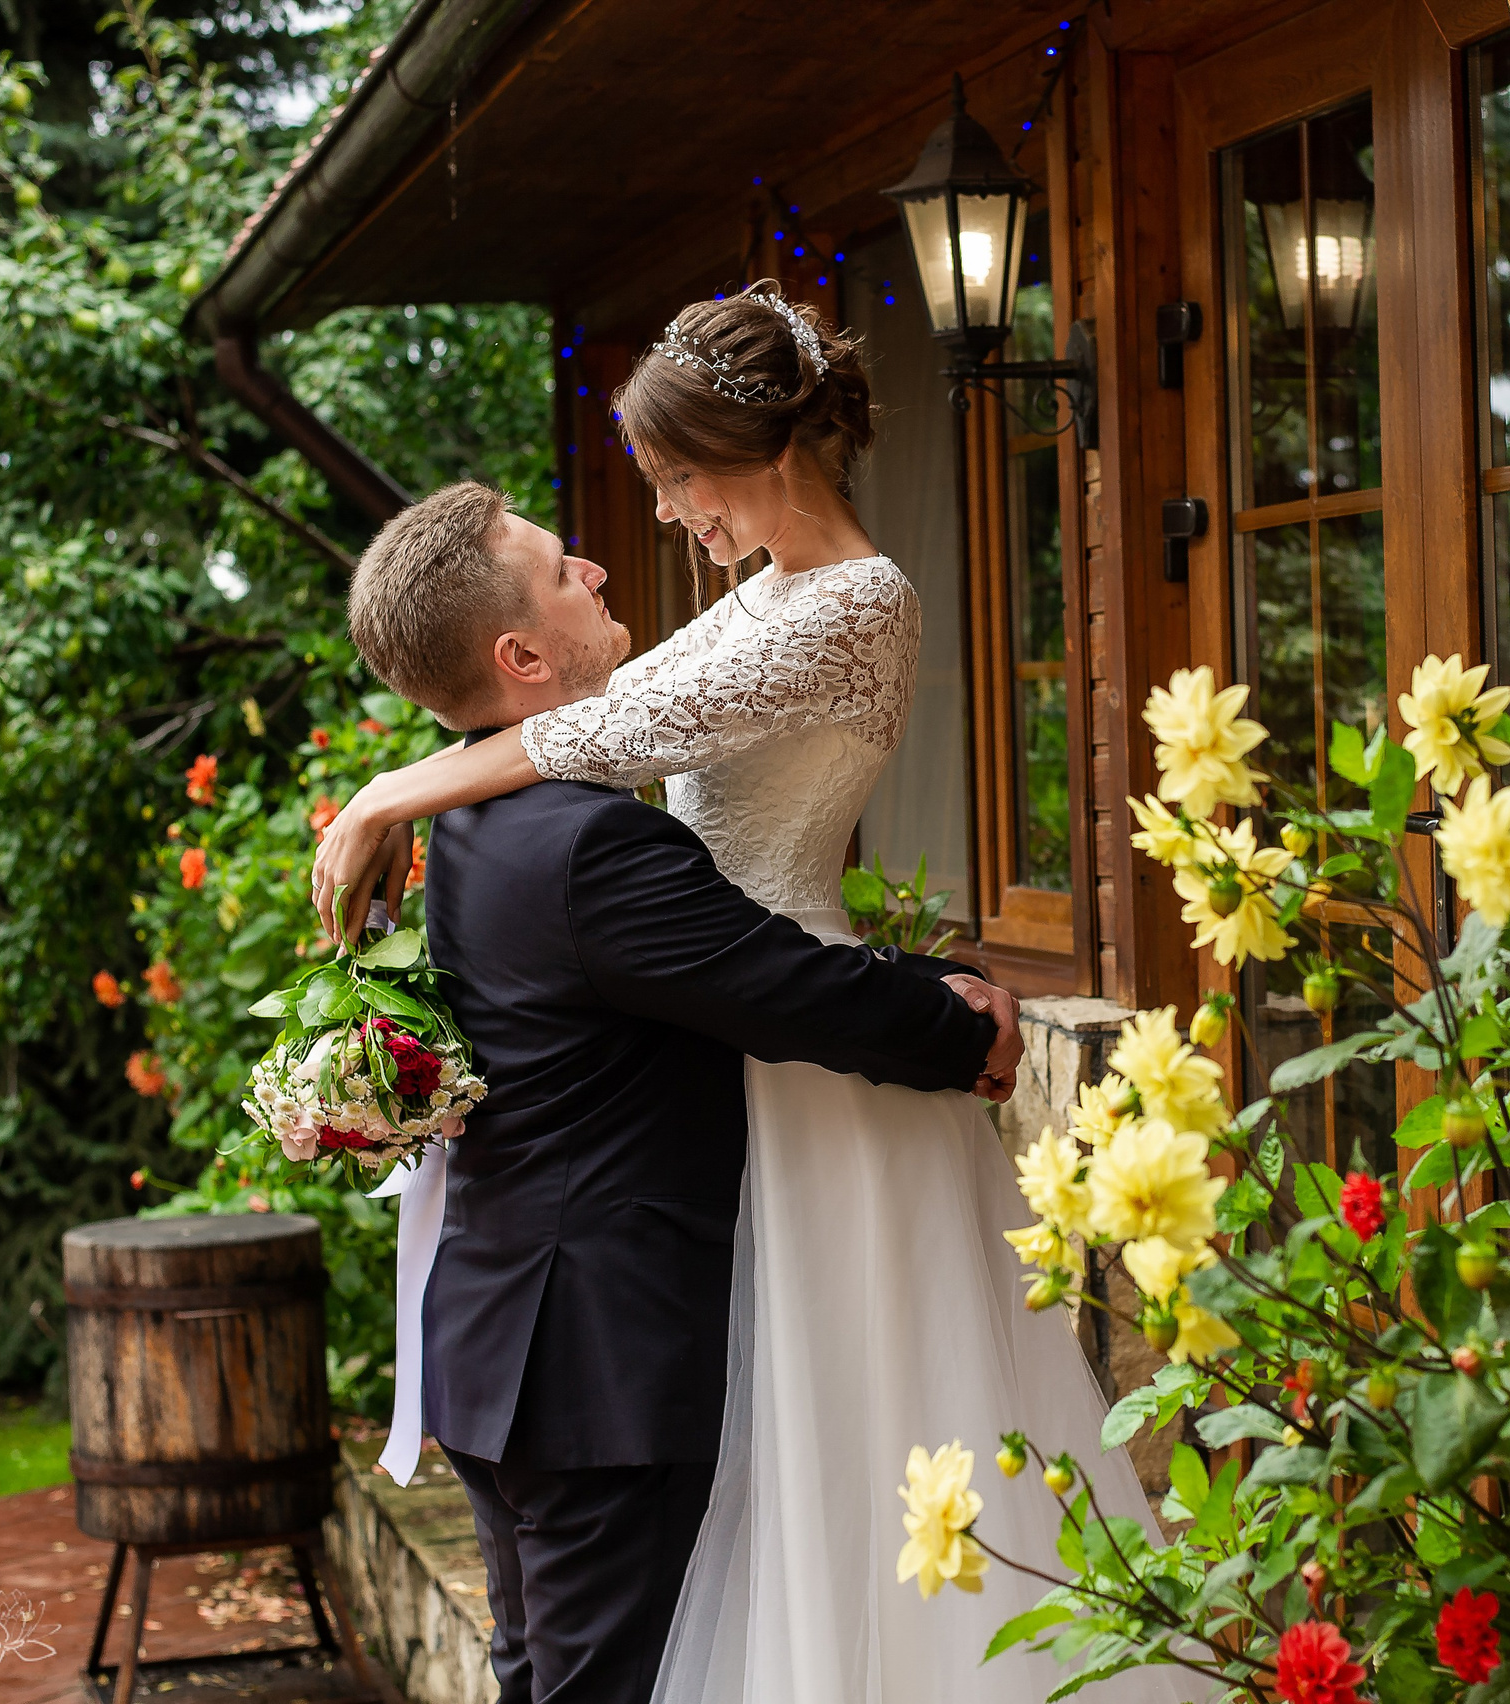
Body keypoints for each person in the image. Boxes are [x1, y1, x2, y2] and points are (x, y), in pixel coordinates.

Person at [315, 285, 1185, 1704]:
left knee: (865, 1432)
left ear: (753, 453)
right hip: (747, 1043)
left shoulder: (860, 602)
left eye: (671, 480)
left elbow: (593, 728)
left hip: (806, 1050)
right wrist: (401, 793)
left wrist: (389, 793)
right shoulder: (756, 603)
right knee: (780, 1465)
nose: (658, 518)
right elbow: (577, 729)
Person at [336, 476, 1023, 1704]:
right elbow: (782, 990)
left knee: (543, 1677)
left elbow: (708, 972)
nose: (597, 571)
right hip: (595, 1371)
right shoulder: (591, 846)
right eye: (562, 570)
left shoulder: (473, 821)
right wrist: (956, 1022)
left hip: (504, 1347)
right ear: (523, 653)